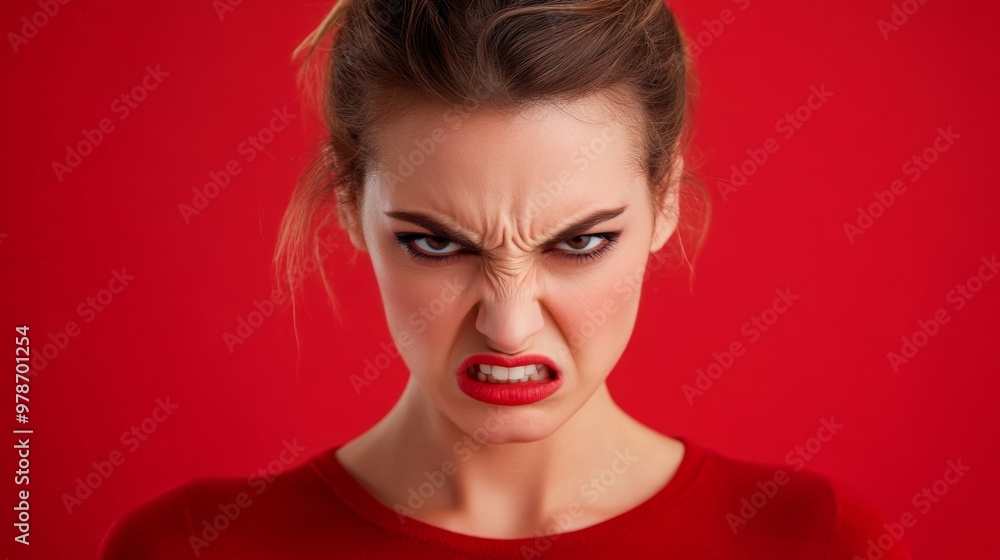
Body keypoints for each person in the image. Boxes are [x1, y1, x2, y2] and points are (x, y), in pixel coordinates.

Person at [100, 1, 912, 558]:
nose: (510, 325)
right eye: (436, 245)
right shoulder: (192, 546)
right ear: (349, 201)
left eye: (581, 242)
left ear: (665, 202)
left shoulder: (817, 543)